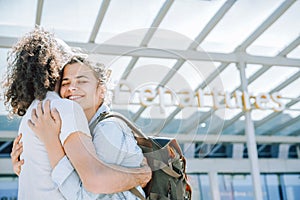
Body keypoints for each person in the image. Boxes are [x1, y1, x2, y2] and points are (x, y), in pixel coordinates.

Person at [4, 27, 151, 200]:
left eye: (82, 81)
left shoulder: (34, 112)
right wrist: (141, 176)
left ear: (101, 90)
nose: (72, 87)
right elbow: (91, 183)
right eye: (67, 80)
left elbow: (90, 186)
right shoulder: (63, 109)